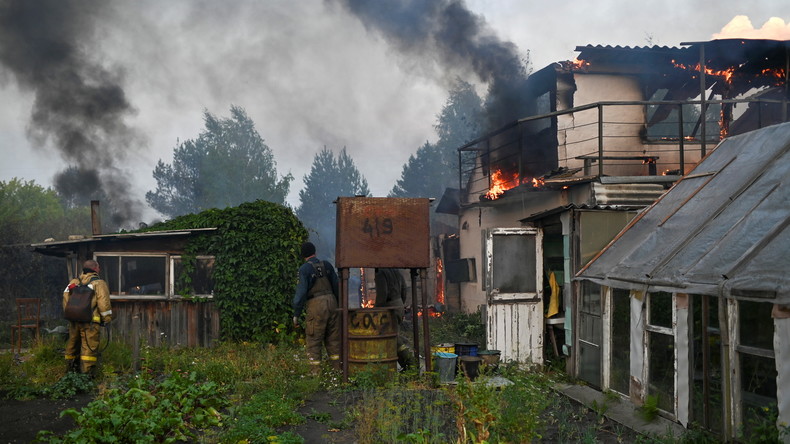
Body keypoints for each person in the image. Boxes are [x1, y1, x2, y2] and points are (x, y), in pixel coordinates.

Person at [292, 242, 341, 373]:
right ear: (315, 252)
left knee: (314, 340)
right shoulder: (327, 265)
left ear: (302, 255)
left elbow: (301, 293)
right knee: (334, 340)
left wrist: (296, 313)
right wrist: (339, 306)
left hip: (316, 305)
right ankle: (337, 372)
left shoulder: (304, 270)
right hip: (332, 302)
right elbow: (337, 287)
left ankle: (315, 374)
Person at [63, 259, 112, 376]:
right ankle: (87, 375)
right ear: (95, 268)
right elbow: (104, 303)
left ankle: (70, 371)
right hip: (90, 322)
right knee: (89, 348)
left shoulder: (73, 282)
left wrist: (71, 314)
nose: (99, 270)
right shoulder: (99, 283)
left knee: (72, 344)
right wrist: (107, 319)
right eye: (98, 267)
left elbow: (65, 298)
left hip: (74, 321)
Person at [374, 268, 415, 370]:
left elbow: (382, 294)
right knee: (394, 335)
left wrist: (376, 311)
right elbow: (404, 289)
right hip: (399, 304)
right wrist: (400, 303)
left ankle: (410, 363)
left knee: (392, 338)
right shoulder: (396, 271)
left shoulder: (381, 273)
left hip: (389, 308)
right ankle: (406, 365)